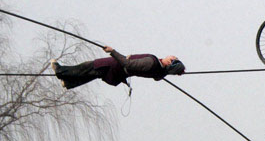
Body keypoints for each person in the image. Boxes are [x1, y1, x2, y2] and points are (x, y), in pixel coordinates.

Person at [51, 46, 185, 90]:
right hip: (118, 75)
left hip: (114, 67)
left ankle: (60, 71)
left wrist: (112, 51)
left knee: (86, 67)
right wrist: (174, 71)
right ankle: (69, 82)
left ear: (169, 63)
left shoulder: (152, 62)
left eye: (173, 60)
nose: (172, 56)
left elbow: (127, 64)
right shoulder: (160, 73)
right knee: (92, 74)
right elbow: (158, 77)